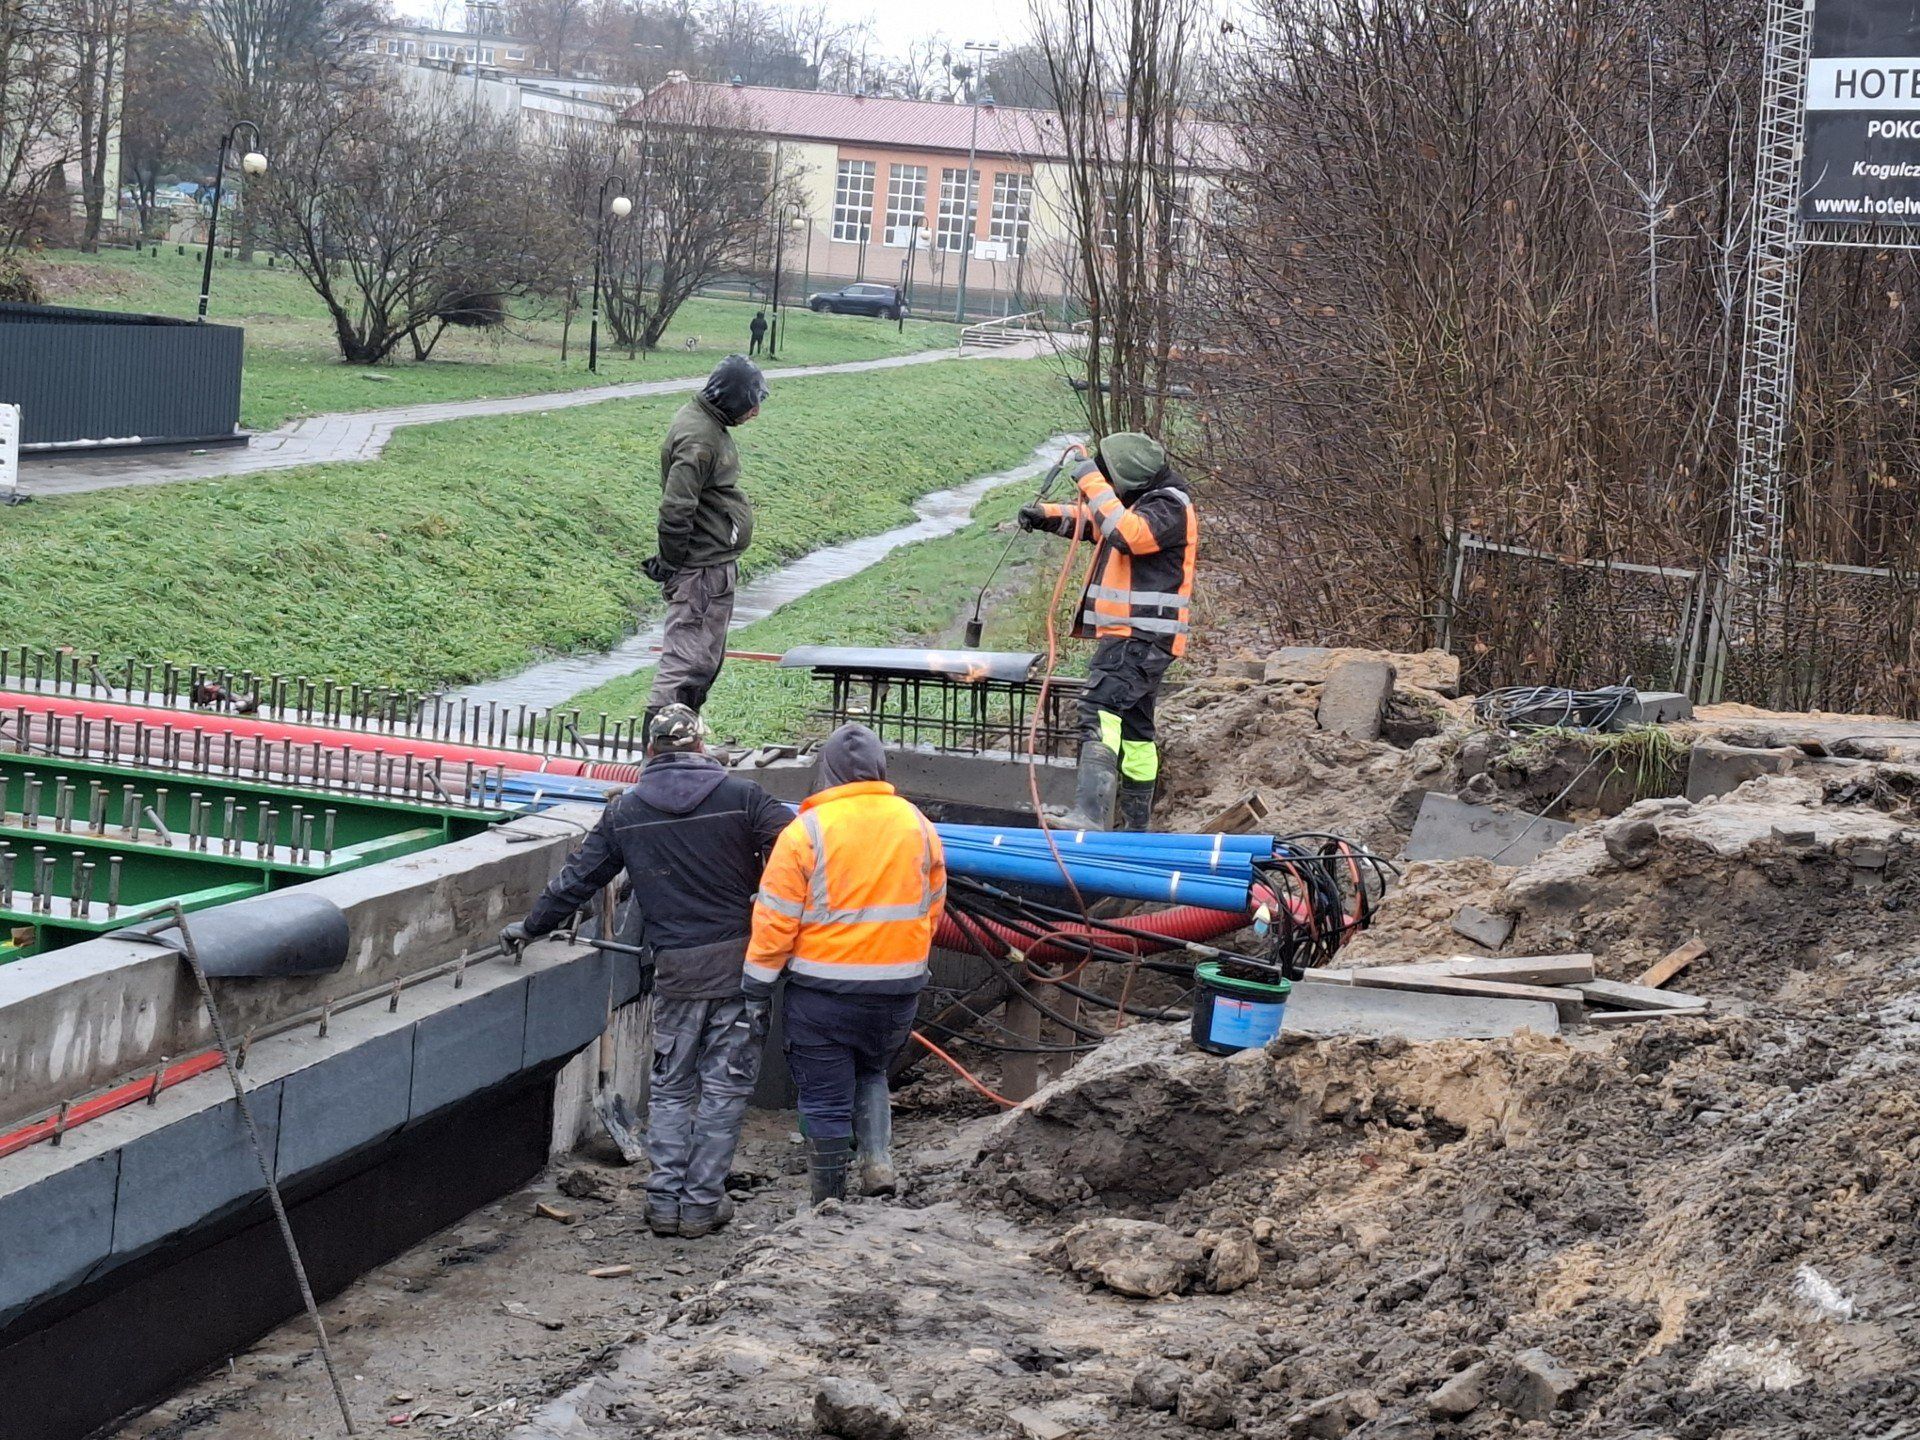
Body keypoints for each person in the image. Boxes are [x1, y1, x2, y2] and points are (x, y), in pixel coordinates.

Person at [499, 704, 791, 1239]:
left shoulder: (626, 811)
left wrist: (531, 927)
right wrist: (762, 896)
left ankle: (662, 1204)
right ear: (703, 746)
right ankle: (702, 1206)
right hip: (740, 970)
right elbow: (799, 851)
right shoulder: (744, 797)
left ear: (649, 751)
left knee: (673, 1087)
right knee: (724, 1089)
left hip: (677, 972)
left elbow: (577, 880)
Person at [742, 724, 945, 1206]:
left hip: (824, 993)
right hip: (898, 987)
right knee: (872, 1071)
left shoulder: (806, 831)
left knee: (825, 1096)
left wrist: (756, 988)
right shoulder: (916, 823)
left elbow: (775, 921)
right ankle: (877, 1161)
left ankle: (828, 1201)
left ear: (827, 770)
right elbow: (933, 903)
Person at [1018, 432, 1198, 832]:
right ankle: (1135, 826)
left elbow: (1124, 532)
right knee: (1135, 731)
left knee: (1099, 709)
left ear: (1126, 477)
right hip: (1142, 637)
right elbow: (1098, 523)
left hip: (1139, 636)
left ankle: (1091, 814)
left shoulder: (1169, 506)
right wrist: (1045, 515)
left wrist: (1089, 480)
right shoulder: (1148, 502)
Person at [641, 355, 767, 732]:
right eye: (751, 402)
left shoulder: (709, 423)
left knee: (702, 663)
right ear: (730, 397)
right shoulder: (699, 436)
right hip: (699, 570)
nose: (755, 412)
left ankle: (683, 746)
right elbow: (676, 507)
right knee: (683, 665)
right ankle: (661, 756)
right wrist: (672, 561)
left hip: (710, 566)